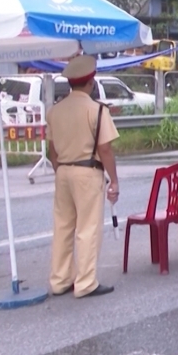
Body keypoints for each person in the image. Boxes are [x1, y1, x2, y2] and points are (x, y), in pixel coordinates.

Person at [45, 55, 119, 298]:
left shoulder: (55, 111)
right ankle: (86, 283)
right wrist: (114, 180)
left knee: (63, 226)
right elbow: (105, 149)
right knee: (88, 228)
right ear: (91, 81)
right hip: (88, 171)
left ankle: (60, 279)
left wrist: (61, 169)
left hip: (63, 171)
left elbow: (52, 150)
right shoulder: (96, 110)